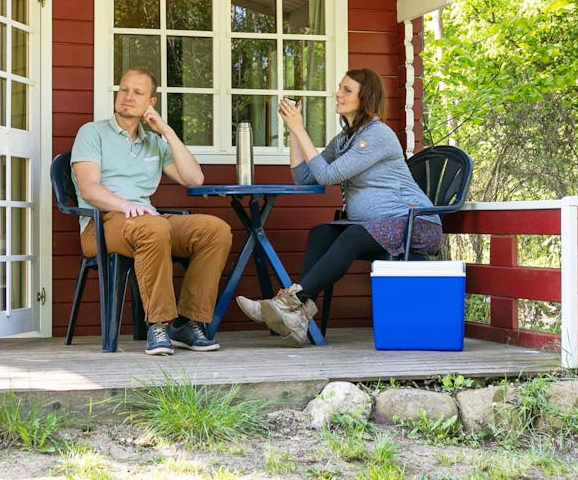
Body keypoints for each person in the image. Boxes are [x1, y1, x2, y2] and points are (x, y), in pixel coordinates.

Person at [237, 68, 438, 346]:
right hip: (377, 229)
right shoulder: (345, 139)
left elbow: (328, 176)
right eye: (339, 87)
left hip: (414, 224)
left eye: (347, 90)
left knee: (351, 235)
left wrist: (299, 128)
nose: (338, 94)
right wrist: (294, 132)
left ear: (364, 98)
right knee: (322, 233)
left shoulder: (378, 134)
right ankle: (299, 313)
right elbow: (304, 177)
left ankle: (291, 304)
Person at [72, 68, 232, 356]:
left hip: (146, 220)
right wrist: (126, 205)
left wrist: (166, 132)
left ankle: (186, 322)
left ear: (151, 103)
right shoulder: (92, 133)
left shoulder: (154, 142)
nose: (128, 97)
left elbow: (194, 179)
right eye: (124, 90)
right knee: (153, 226)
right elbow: (89, 189)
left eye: (137, 93)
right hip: (103, 223)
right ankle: (158, 324)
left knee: (215, 230)